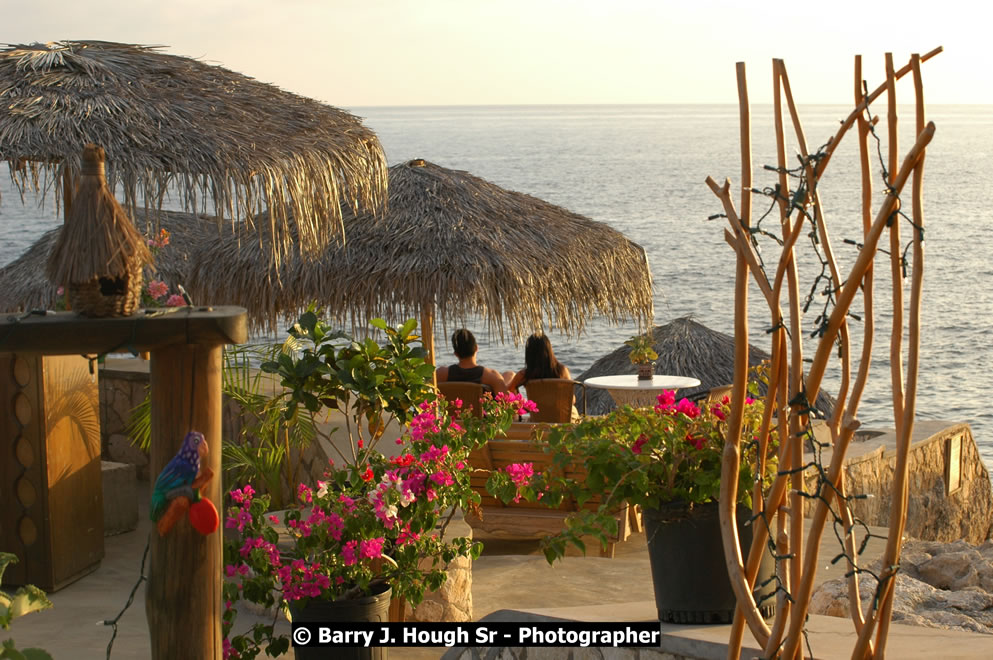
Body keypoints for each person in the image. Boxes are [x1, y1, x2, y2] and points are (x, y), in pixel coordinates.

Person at [436, 328, 509, 394]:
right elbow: (506, 404)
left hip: (451, 409)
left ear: (456, 354)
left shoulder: (441, 374)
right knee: (509, 375)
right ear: (476, 348)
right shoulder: (491, 376)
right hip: (480, 409)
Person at [506, 333, 572, 393]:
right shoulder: (562, 371)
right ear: (549, 351)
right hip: (561, 406)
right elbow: (572, 398)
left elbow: (509, 390)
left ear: (529, 354)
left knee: (509, 376)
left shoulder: (525, 374)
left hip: (536, 406)